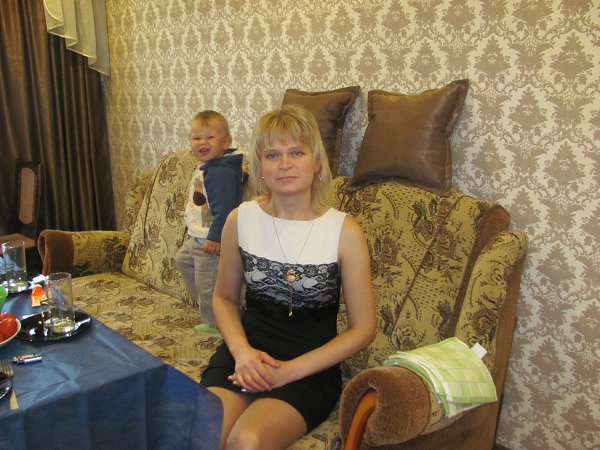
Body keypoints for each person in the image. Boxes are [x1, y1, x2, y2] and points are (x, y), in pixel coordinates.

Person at [200, 104, 376, 449]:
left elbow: (363, 328)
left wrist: (289, 371)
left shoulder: (345, 232)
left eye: (296, 152)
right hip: (243, 355)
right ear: (260, 166)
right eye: (273, 155)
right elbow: (224, 298)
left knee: (247, 441)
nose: (285, 164)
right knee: (201, 432)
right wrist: (243, 352)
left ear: (316, 162)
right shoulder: (240, 219)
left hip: (308, 370)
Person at [175, 110, 246, 334]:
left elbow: (224, 209)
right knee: (182, 261)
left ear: (225, 142)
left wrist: (216, 237)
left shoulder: (220, 172)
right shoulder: (211, 166)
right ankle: (213, 310)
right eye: (196, 138)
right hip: (198, 236)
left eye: (210, 137)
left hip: (210, 239)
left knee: (208, 284)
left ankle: (217, 323)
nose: (202, 142)